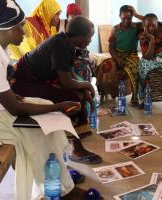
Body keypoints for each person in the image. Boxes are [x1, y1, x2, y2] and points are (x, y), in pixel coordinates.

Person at [0, 1, 102, 199]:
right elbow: (16, 109)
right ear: (8, 30)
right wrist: (61, 106)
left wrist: (50, 106)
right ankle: (58, 187)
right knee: (40, 132)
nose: (25, 31)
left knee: (47, 108)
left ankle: (59, 175)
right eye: (21, 26)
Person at [10, 16, 102, 164]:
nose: (90, 40)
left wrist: (84, 87)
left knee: (77, 92)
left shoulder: (67, 43)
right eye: (89, 37)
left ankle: (73, 135)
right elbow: (66, 82)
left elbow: (69, 74)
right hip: (23, 83)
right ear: (78, 37)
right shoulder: (60, 45)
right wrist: (88, 85)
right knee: (70, 97)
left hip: (37, 78)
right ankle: (75, 148)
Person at [96, 5, 143, 105]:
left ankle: (135, 97)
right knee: (105, 67)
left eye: (129, 18)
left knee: (134, 69)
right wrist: (117, 59)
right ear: (119, 16)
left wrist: (136, 14)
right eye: (123, 18)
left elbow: (149, 22)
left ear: (132, 17)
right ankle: (106, 91)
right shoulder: (115, 29)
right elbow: (111, 48)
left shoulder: (136, 27)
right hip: (117, 55)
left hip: (132, 55)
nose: (126, 21)